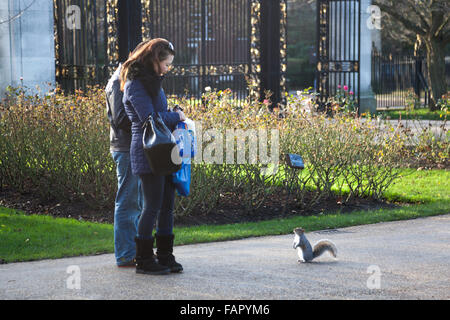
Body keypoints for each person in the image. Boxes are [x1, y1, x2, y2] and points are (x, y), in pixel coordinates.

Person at [120, 38, 186, 275]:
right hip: (147, 151)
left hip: (164, 149)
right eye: (166, 63)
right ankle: (144, 260)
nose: (168, 68)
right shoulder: (135, 84)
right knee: (151, 206)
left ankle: (165, 255)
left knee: (167, 205)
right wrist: (176, 116)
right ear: (155, 59)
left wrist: (172, 113)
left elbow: (158, 114)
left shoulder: (154, 82)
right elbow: (150, 119)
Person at [106, 45, 147, 267]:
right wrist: (147, 121)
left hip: (129, 147)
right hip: (125, 148)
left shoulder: (124, 78)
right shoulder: (118, 81)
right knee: (129, 202)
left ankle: (133, 252)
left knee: (135, 202)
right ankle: (125, 254)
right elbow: (120, 119)